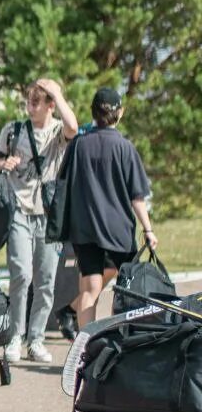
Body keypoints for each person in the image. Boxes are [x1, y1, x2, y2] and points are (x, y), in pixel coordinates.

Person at [0, 79, 79, 363]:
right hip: (19, 210)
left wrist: (58, 92)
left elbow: (73, 128)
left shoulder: (56, 132)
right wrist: (4, 165)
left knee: (46, 280)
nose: (30, 107)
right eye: (28, 101)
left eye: (36, 102)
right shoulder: (13, 130)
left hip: (49, 215)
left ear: (50, 105)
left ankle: (36, 339)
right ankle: (16, 335)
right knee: (21, 274)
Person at [62, 87, 155, 329]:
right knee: (125, 290)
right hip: (118, 232)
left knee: (90, 288)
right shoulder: (124, 147)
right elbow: (137, 196)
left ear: (92, 112)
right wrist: (148, 229)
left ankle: (83, 353)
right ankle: (120, 346)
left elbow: (63, 184)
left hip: (85, 230)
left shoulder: (78, 145)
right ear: (120, 113)